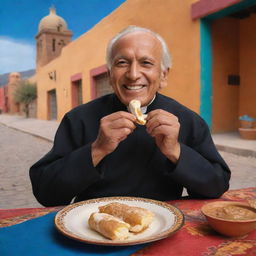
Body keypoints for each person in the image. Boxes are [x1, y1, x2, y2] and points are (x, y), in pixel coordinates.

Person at [30, 26, 230, 207]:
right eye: (122, 63)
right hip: (94, 227)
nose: (133, 74)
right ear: (109, 75)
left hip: (162, 227)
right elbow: (46, 193)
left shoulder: (187, 121)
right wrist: (97, 149)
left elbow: (215, 186)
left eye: (146, 63)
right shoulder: (78, 119)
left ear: (163, 75)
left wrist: (175, 151)